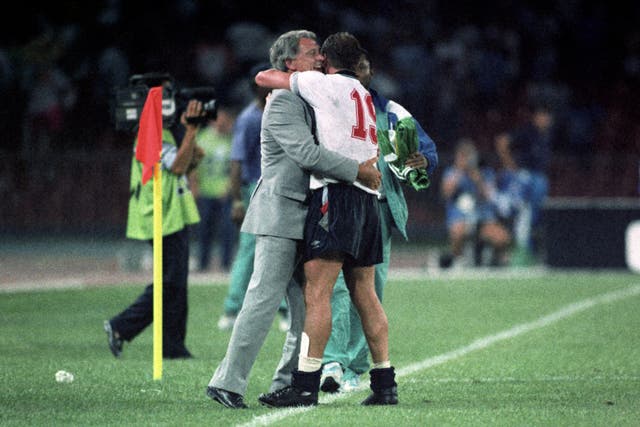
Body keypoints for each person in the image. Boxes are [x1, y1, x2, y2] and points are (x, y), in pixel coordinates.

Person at [205, 30, 381, 409]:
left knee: (307, 307)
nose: (320, 59)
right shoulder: (284, 101)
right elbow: (306, 153)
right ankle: (227, 382)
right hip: (280, 213)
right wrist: (357, 171)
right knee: (262, 299)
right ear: (290, 64)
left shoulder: (312, 96)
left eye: (321, 53)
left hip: (309, 214)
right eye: (312, 53)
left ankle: (290, 382)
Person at [254, 32, 396, 407]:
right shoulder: (364, 93)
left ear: (329, 61)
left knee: (317, 293)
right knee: (365, 293)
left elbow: (264, 78)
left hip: (336, 195)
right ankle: (384, 382)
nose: (316, 61)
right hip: (369, 201)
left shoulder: (323, 83)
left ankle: (304, 384)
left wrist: (301, 74)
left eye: (320, 56)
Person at [319, 53, 438, 393]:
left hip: (378, 211)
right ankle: (331, 362)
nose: (360, 73)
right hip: (337, 206)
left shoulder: (391, 111)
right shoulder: (327, 108)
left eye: (365, 67)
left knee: (369, 291)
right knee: (335, 288)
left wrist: (422, 159)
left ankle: (353, 367)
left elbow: (426, 148)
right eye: (354, 68)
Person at [104, 73, 205, 359]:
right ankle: (120, 326)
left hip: (172, 213)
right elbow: (176, 167)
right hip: (161, 215)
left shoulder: (164, 133)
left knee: (176, 282)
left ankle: (172, 346)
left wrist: (190, 137)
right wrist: (192, 134)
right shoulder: (152, 134)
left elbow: (191, 161)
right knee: (170, 281)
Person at [216, 62, 289, 332]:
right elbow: (237, 161)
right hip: (255, 190)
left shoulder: (279, 111)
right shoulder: (249, 119)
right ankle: (232, 308)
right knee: (250, 248)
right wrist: (237, 200)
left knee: (280, 251)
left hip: (278, 188)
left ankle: (283, 310)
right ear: (257, 86)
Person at [494, 103, 555, 265]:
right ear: (537, 117)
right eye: (544, 116)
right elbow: (502, 142)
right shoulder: (528, 132)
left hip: (538, 179)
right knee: (525, 216)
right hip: (526, 179)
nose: (547, 120)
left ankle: (532, 252)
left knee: (535, 218)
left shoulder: (545, 135)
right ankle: (524, 253)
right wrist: (511, 167)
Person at [439, 138, 511, 269]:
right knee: (457, 232)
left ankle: (496, 260)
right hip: (461, 218)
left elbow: (489, 196)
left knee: (502, 237)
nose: (466, 159)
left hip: (483, 218)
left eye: (469, 155)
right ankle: (457, 259)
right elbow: (446, 193)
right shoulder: (451, 173)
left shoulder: (485, 172)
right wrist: (459, 171)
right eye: (463, 155)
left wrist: (477, 178)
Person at [190, 103, 236, 272]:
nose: (222, 123)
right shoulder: (202, 138)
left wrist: (230, 187)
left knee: (227, 229)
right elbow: (194, 165)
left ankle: (225, 264)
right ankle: (203, 264)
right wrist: (195, 186)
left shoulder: (231, 138)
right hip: (206, 192)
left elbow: (236, 166)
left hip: (225, 193)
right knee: (204, 230)